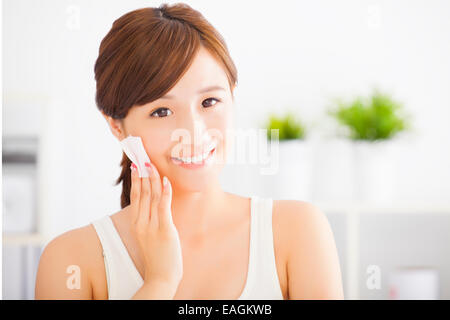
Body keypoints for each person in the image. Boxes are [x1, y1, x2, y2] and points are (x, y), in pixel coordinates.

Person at [35, 3, 344, 300]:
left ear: (232, 98)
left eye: (209, 102)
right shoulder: (69, 260)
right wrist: (160, 282)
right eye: (161, 111)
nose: (194, 133)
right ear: (116, 125)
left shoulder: (298, 231)